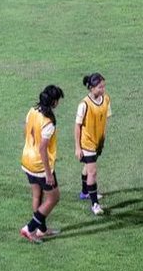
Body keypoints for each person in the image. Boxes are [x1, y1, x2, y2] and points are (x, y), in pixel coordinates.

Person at [20, 85, 65, 243]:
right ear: (53, 102)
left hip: (27, 160)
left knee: (37, 195)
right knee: (53, 198)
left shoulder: (32, 111)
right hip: (40, 165)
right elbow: (43, 148)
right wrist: (48, 174)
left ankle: (41, 230)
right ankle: (30, 228)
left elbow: (26, 131)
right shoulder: (48, 122)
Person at [74, 73, 112, 215]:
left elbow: (105, 120)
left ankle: (85, 192)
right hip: (87, 143)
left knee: (88, 167)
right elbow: (77, 126)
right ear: (91, 88)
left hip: (98, 141)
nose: (103, 89)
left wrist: (103, 138)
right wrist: (78, 147)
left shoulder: (106, 99)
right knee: (92, 172)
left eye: (104, 86)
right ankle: (95, 204)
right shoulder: (84, 104)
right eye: (100, 87)